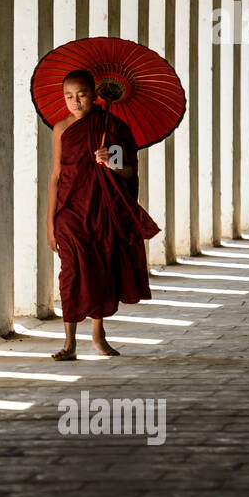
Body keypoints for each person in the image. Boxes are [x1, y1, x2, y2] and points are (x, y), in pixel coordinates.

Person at [46, 69, 160, 360]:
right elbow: (55, 175)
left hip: (102, 211)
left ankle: (98, 333)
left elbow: (128, 171)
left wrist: (111, 161)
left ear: (94, 96)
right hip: (69, 212)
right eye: (69, 96)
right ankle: (69, 342)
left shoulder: (112, 125)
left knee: (101, 269)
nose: (75, 102)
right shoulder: (61, 128)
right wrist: (50, 221)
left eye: (82, 95)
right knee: (70, 273)